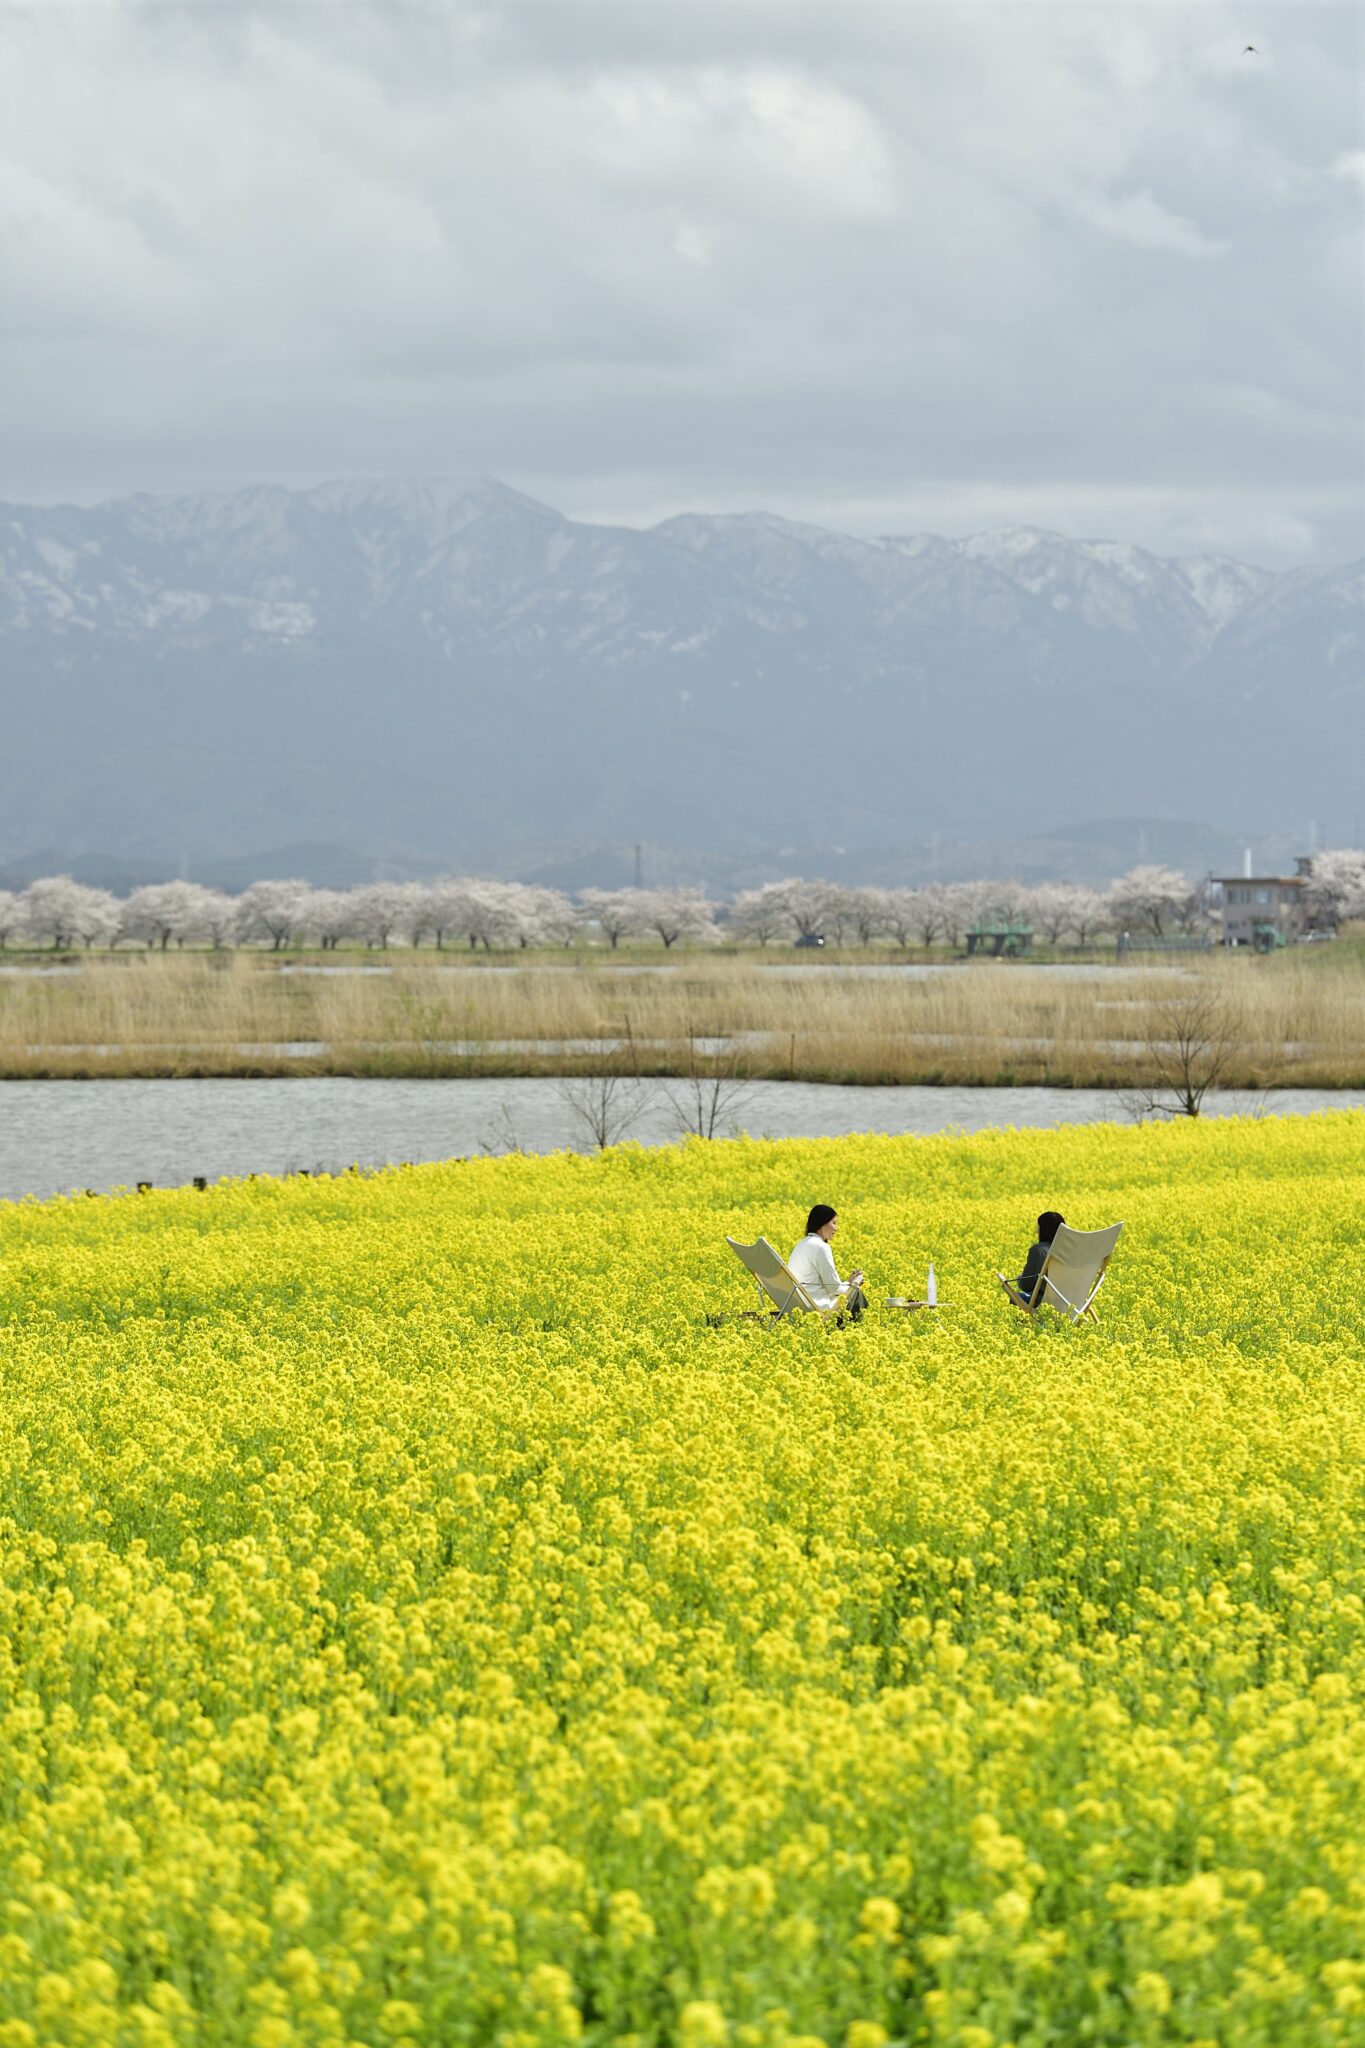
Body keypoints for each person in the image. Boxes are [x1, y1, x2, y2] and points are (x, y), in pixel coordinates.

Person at [789, 1204, 867, 1318]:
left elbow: (828, 1285)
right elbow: (833, 1288)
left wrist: (848, 1282)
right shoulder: (821, 1247)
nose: (836, 1228)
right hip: (818, 1306)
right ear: (822, 1224)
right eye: (834, 1223)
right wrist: (855, 1284)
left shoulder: (801, 1244)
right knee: (857, 1293)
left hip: (798, 1305)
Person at [1015, 1210, 1065, 1305]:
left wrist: (1019, 1279)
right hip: (1074, 1305)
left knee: (1016, 1298)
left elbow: (1026, 1285)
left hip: (1045, 1303)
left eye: (1038, 1227)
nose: (1037, 1230)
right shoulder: (1073, 1252)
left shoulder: (1040, 1250)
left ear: (1043, 1229)